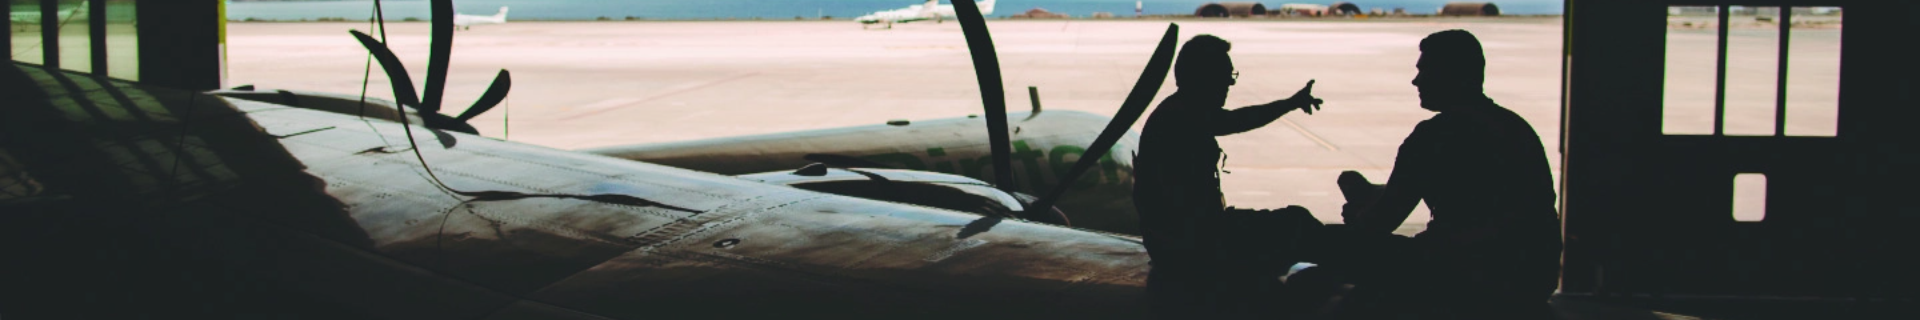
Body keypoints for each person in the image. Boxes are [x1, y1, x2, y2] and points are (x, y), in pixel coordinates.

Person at [1309, 29, 1562, 319]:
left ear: (1452, 74)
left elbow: (1379, 224)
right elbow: (1474, 195)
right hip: (1533, 277)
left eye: (1426, 70)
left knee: (1322, 249)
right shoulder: (1515, 127)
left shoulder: (1433, 137)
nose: (1416, 80)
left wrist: (1357, 215)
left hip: (1467, 273)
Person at [1132, 34, 1324, 319]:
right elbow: (1236, 121)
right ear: (1201, 78)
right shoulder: (1180, 118)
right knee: (1296, 225)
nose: (1230, 84)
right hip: (1191, 247)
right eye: (1224, 75)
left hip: (1183, 242)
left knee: (1294, 223)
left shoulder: (1176, 113)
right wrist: (1289, 103)